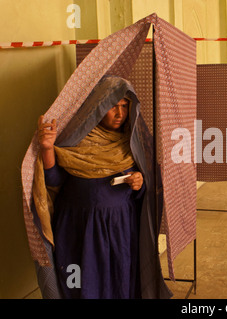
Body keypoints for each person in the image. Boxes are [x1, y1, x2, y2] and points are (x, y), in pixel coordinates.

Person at [35, 76, 163, 299]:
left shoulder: (132, 141)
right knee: (79, 282)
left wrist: (140, 183)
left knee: (119, 279)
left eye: (124, 106)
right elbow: (54, 182)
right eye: (112, 106)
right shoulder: (74, 140)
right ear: (97, 106)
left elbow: (146, 188)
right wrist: (47, 149)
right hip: (78, 230)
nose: (120, 114)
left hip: (120, 229)